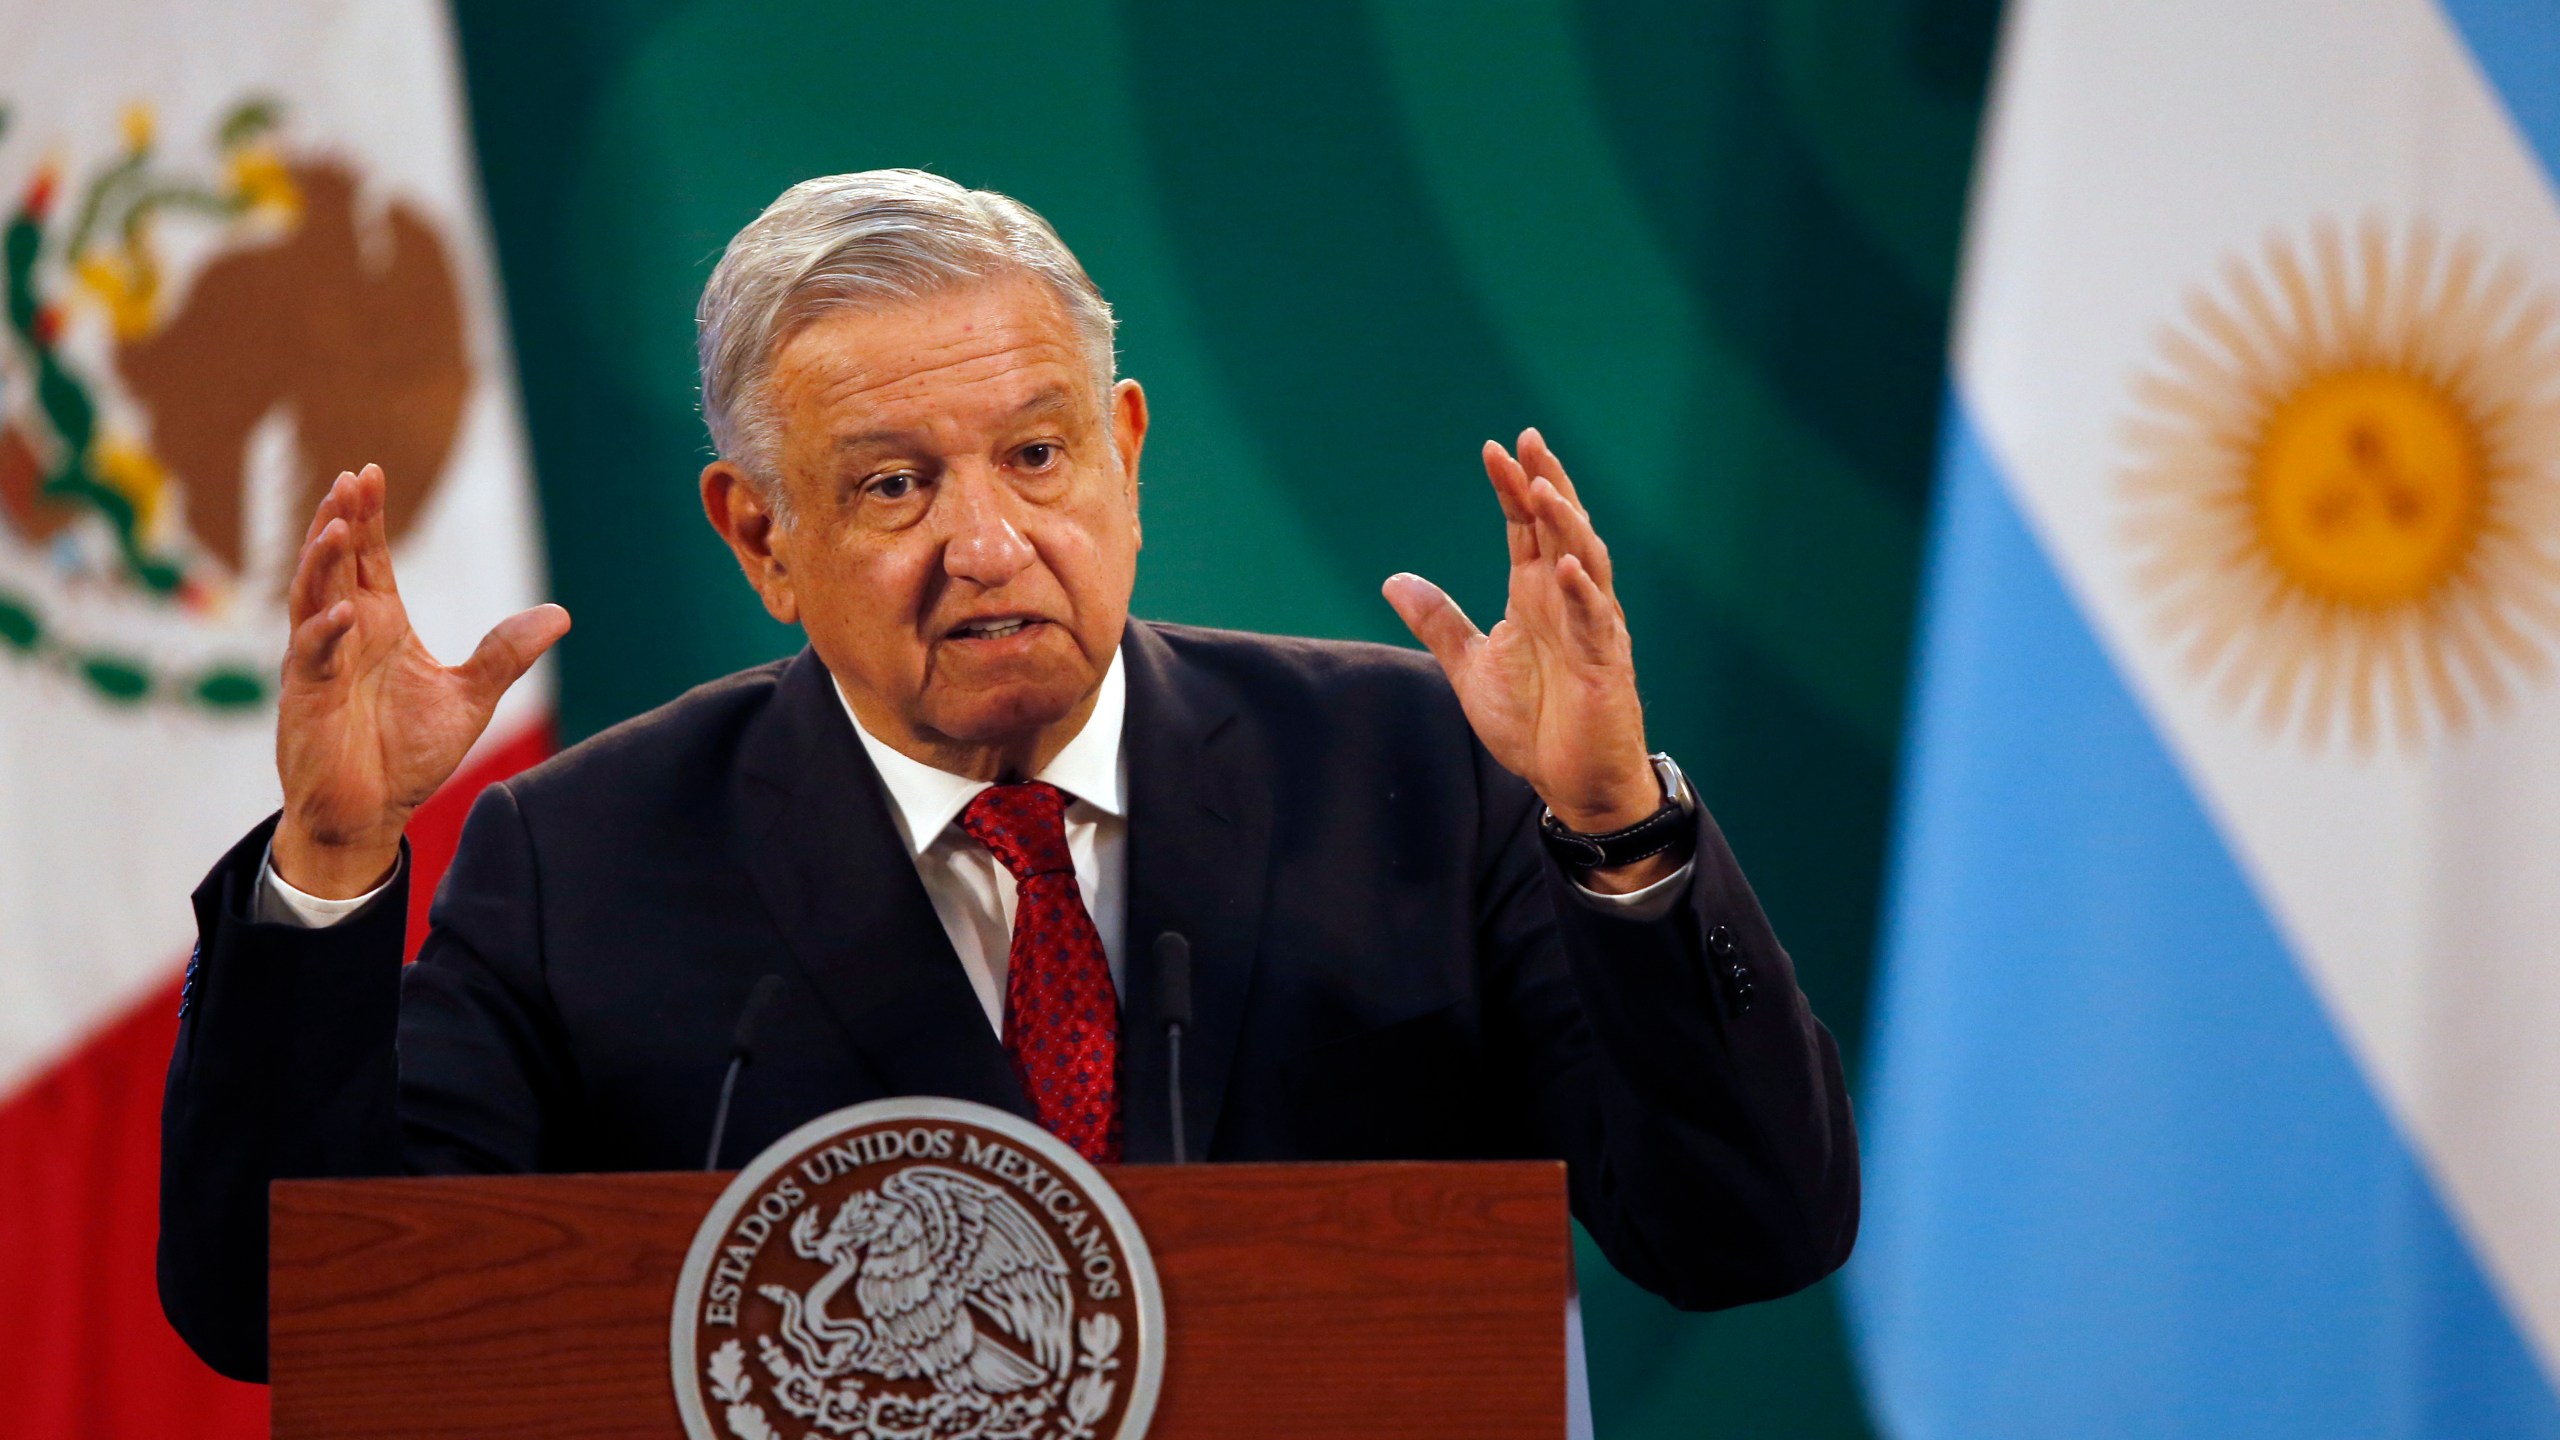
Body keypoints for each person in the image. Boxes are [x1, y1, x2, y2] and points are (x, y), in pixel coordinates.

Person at [158, 170, 1857, 1383]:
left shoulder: (1419, 772)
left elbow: (1749, 1234)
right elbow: (281, 1317)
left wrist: (1621, 831)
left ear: (1123, 453)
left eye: (1037, 456)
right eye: (893, 485)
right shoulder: (583, 857)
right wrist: (327, 859)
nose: (989, 543)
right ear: (760, 535)